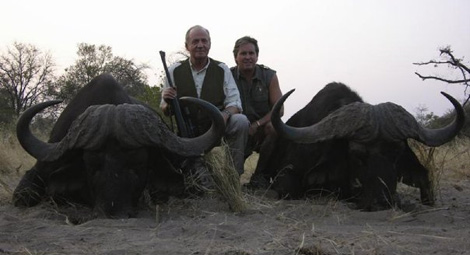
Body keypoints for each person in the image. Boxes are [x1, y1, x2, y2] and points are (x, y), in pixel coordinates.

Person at [161, 25, 249, 177]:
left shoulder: (222, 69)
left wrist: (225, 115)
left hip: (216, 127)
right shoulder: (174, 70)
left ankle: (233, 177)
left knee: (240, 121)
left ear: (209, 44)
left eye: (204, 41)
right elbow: (164, 108)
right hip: (187, 131)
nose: (200, 45)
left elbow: (235, 103)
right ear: (187, 46)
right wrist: (167, 100)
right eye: (195, 41)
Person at [230, 36, 283, 187]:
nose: (248, 57)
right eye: (243, 54)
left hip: (260, 131)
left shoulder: (269, 76)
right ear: (235, 57)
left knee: (274, 128)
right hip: (238, 130)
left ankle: (260, 176)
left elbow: (279, 109)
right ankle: (231, 178)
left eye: (251, 53)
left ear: (257, 56)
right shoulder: (227, 76)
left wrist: (257, 124)